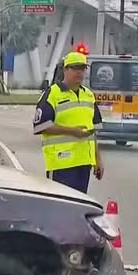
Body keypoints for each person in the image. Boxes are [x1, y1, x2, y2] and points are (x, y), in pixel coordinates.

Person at [33, 51, 104, 194]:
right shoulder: (53, 93)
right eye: (75, 68)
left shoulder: (88, 95)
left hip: (84, 163)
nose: (79, 72)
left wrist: (98, 159)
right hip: (61, 163)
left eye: (82, 68)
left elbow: (93, 130)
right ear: (65, 69)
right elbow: (40, 126)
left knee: (79, 206)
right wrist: (72, 131)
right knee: (59, 207)